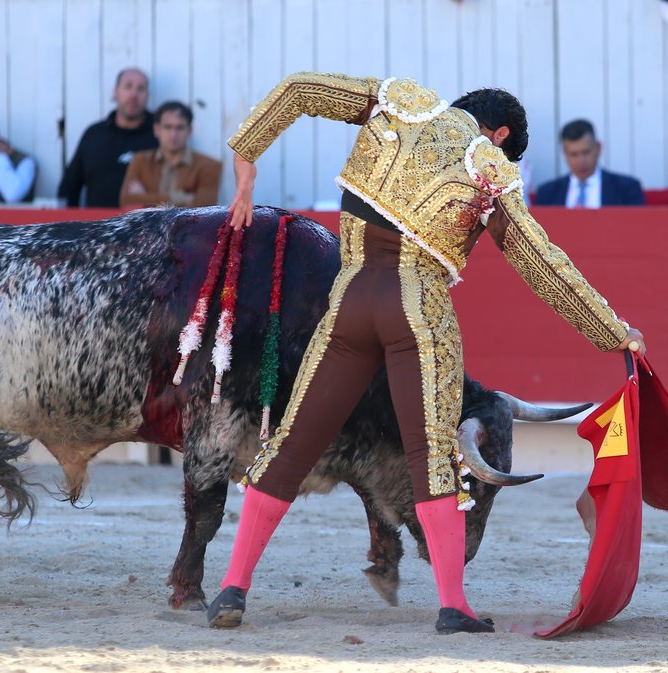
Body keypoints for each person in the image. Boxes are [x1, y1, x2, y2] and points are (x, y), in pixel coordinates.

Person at [209, 72, 645, 634]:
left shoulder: (398, 102)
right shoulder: (490, 167)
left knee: (291, 445)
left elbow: (298, 89)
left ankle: (231, 589)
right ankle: (452, 604)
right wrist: (615, 331)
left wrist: (246, 155)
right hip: (415, 310)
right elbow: (543, 267)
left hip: (349, 300)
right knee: (432, 456)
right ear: (501, 134)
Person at [58, 68, 158, 207]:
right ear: (115, 91)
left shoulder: (161, 136)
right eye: (128, 86)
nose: (134, 94)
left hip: (147, 227)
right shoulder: (94, 135)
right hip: (97, 226)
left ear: (148, 95)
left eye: (141, 88)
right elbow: (69, 188)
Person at [119, 101, 221, 208]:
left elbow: (205, 209)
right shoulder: (140, 160)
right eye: (168, 127)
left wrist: (145, 197)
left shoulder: (210, 166)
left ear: (189, 130)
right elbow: (126, 201)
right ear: (156, 129)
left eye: (180, 127)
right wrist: (179, 198)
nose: (173, 135)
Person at [534, 119, 645, 207]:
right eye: (574, 154)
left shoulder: (627, 189)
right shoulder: (547, 194)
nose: (581, 160)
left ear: (598, 148)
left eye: (586, 152)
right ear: (565, 153)